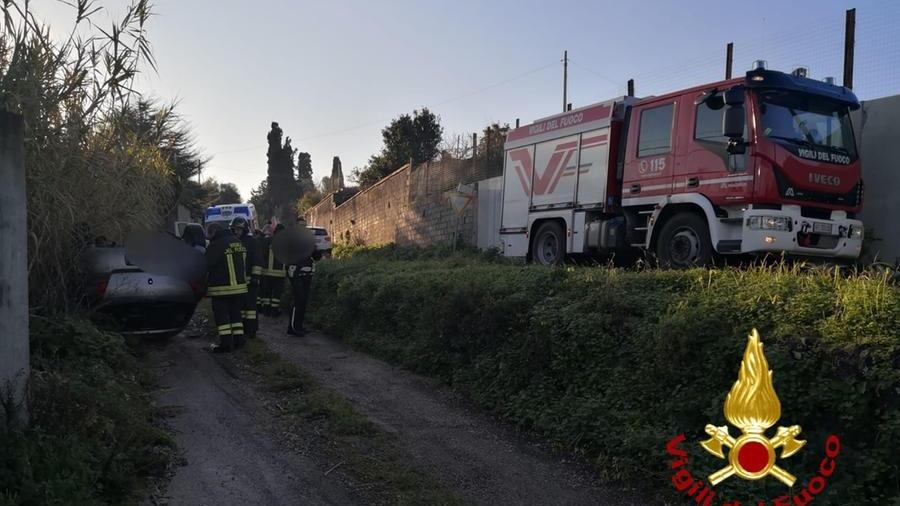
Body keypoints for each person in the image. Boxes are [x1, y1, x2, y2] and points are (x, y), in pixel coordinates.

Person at [205, 222, 248, 352]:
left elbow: (206, 265)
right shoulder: (237, 242)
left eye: (209, 235)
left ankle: (226, 344)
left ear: (213, 232)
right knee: (236, 315)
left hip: (222, 288)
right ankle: (239, 341)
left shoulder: (215, 245)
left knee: (221, 316)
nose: (208, 238)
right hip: (240, 287)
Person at [230, 216, 262, 338]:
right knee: (240, 308)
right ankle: (242, 330)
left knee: (250, 309)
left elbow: (258, 260)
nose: (236, 232)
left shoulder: (252, 242)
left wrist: (255, 276)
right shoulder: (233, 242)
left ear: (244, 229)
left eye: (238, 229)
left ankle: (251, 330)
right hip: (238, 282)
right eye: (234, 229)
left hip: (250, 282)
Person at [286, 218, 315, 336]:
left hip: (306, 273)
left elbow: (314, 255)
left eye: (304, 225)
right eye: (300, 225)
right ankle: (292, 328)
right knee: (298, 299)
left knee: (303, 301)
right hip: (296, 273)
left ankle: (299, 326)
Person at [258, 223, 286, 317]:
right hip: (280, 273)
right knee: (276, 295)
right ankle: (274, 312)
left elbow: (262, 254)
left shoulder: (268, 241)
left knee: (267, 293)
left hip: (267, 272)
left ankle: (266, 311)